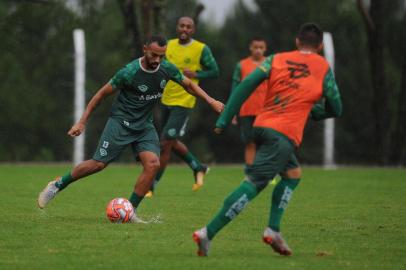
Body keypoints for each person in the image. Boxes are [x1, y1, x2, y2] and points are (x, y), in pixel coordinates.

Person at [37, 35, 224, 222]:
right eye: (153, 55)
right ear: (144, 49)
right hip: (121, 123)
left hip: (144, 126)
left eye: (161, 56)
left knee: (153, 164)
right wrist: (81, 122)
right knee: (98, 164)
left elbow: (189, 85)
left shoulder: (166, 69)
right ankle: (57, 185)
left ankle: (130, 210)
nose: (157, 60)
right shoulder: (129, 72)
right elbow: (100, 95)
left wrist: (211, 101)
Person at [193, 23, 342, 256]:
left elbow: (245, 86)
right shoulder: (323, 67)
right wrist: (314, 112)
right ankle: (207, 233)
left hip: (261, 126)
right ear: (320, 46)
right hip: (283, 134)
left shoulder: (276, 59)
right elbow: (336, 107)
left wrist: (224, 119)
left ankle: (273, 229)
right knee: (254, 184)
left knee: (292, 175)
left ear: (296, 42)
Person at [146, 16, 220, 197]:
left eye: (188, 27)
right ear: (177, 27)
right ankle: (198, 167)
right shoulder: (168, 45)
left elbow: (215, 71)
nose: (185, 29)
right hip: (165, 99)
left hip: (185, 101)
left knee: (164, 144)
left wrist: (197, 73)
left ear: (193, 30)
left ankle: (151, 185)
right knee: (170, 142)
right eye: (182, 26)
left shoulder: (201, 48)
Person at [231, 37, 268, 165]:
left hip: (266, 110)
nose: (258, 50)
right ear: (250, 48)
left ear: (265, 49)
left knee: (266, 142)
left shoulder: (271, 64)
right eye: (255, 47)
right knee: (249, 142)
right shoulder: (241, 65)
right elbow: (235, 89)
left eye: (261, 47)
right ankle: (250, 172)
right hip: (246, 110)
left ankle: (267, 172)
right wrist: (232, 111)